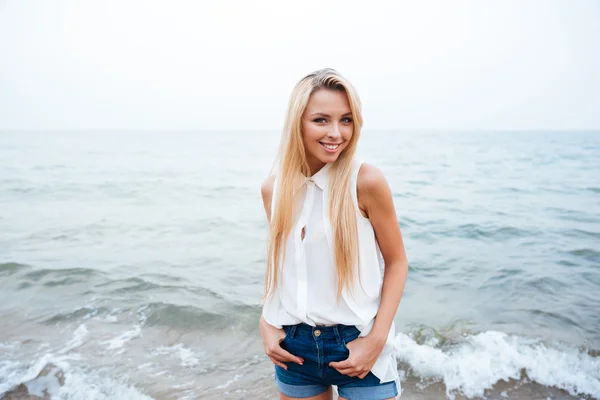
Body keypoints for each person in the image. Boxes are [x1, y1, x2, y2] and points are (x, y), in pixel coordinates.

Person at [259, 68, 408, 400]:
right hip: (294, 346)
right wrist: (266, 322)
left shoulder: (366, 181)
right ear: (297, 122)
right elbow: (283, 268)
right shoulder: (274, 189)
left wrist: (376, 340)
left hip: (359, 343)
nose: (337, 133)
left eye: (346, 120)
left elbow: (397, 263)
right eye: (321, 120)